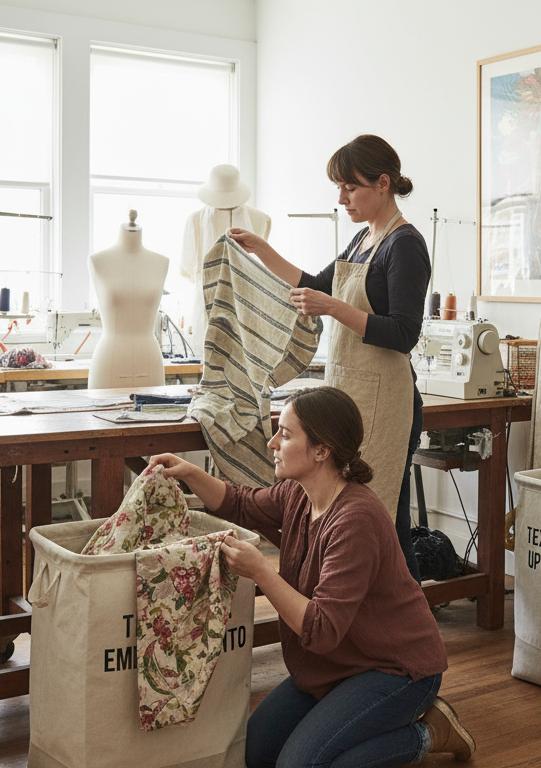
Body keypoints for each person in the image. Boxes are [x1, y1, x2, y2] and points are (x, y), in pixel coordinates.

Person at [148, 386, 474, 767]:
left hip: (395, 669)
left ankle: (430, 733)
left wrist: (261, 572)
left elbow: (321, 630)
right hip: (338, 664)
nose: (272, 443)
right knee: (254, 754)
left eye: (285, 435)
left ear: (322, 451)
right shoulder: (296, 494)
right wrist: (188, 472)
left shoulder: (356, 520)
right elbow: (239, 503)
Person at [229, 134, 428, 583]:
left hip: (387, 402)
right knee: (358, 520)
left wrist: (334, 308)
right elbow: (315, 283)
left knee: (385, 524)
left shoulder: (405, 246)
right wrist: (261, 250)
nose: (341, 199)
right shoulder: (362, 240)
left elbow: (404, 333)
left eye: (350, 188)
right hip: (352, 397)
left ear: (383, 184)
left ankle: (409, 627)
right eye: (338, 188)